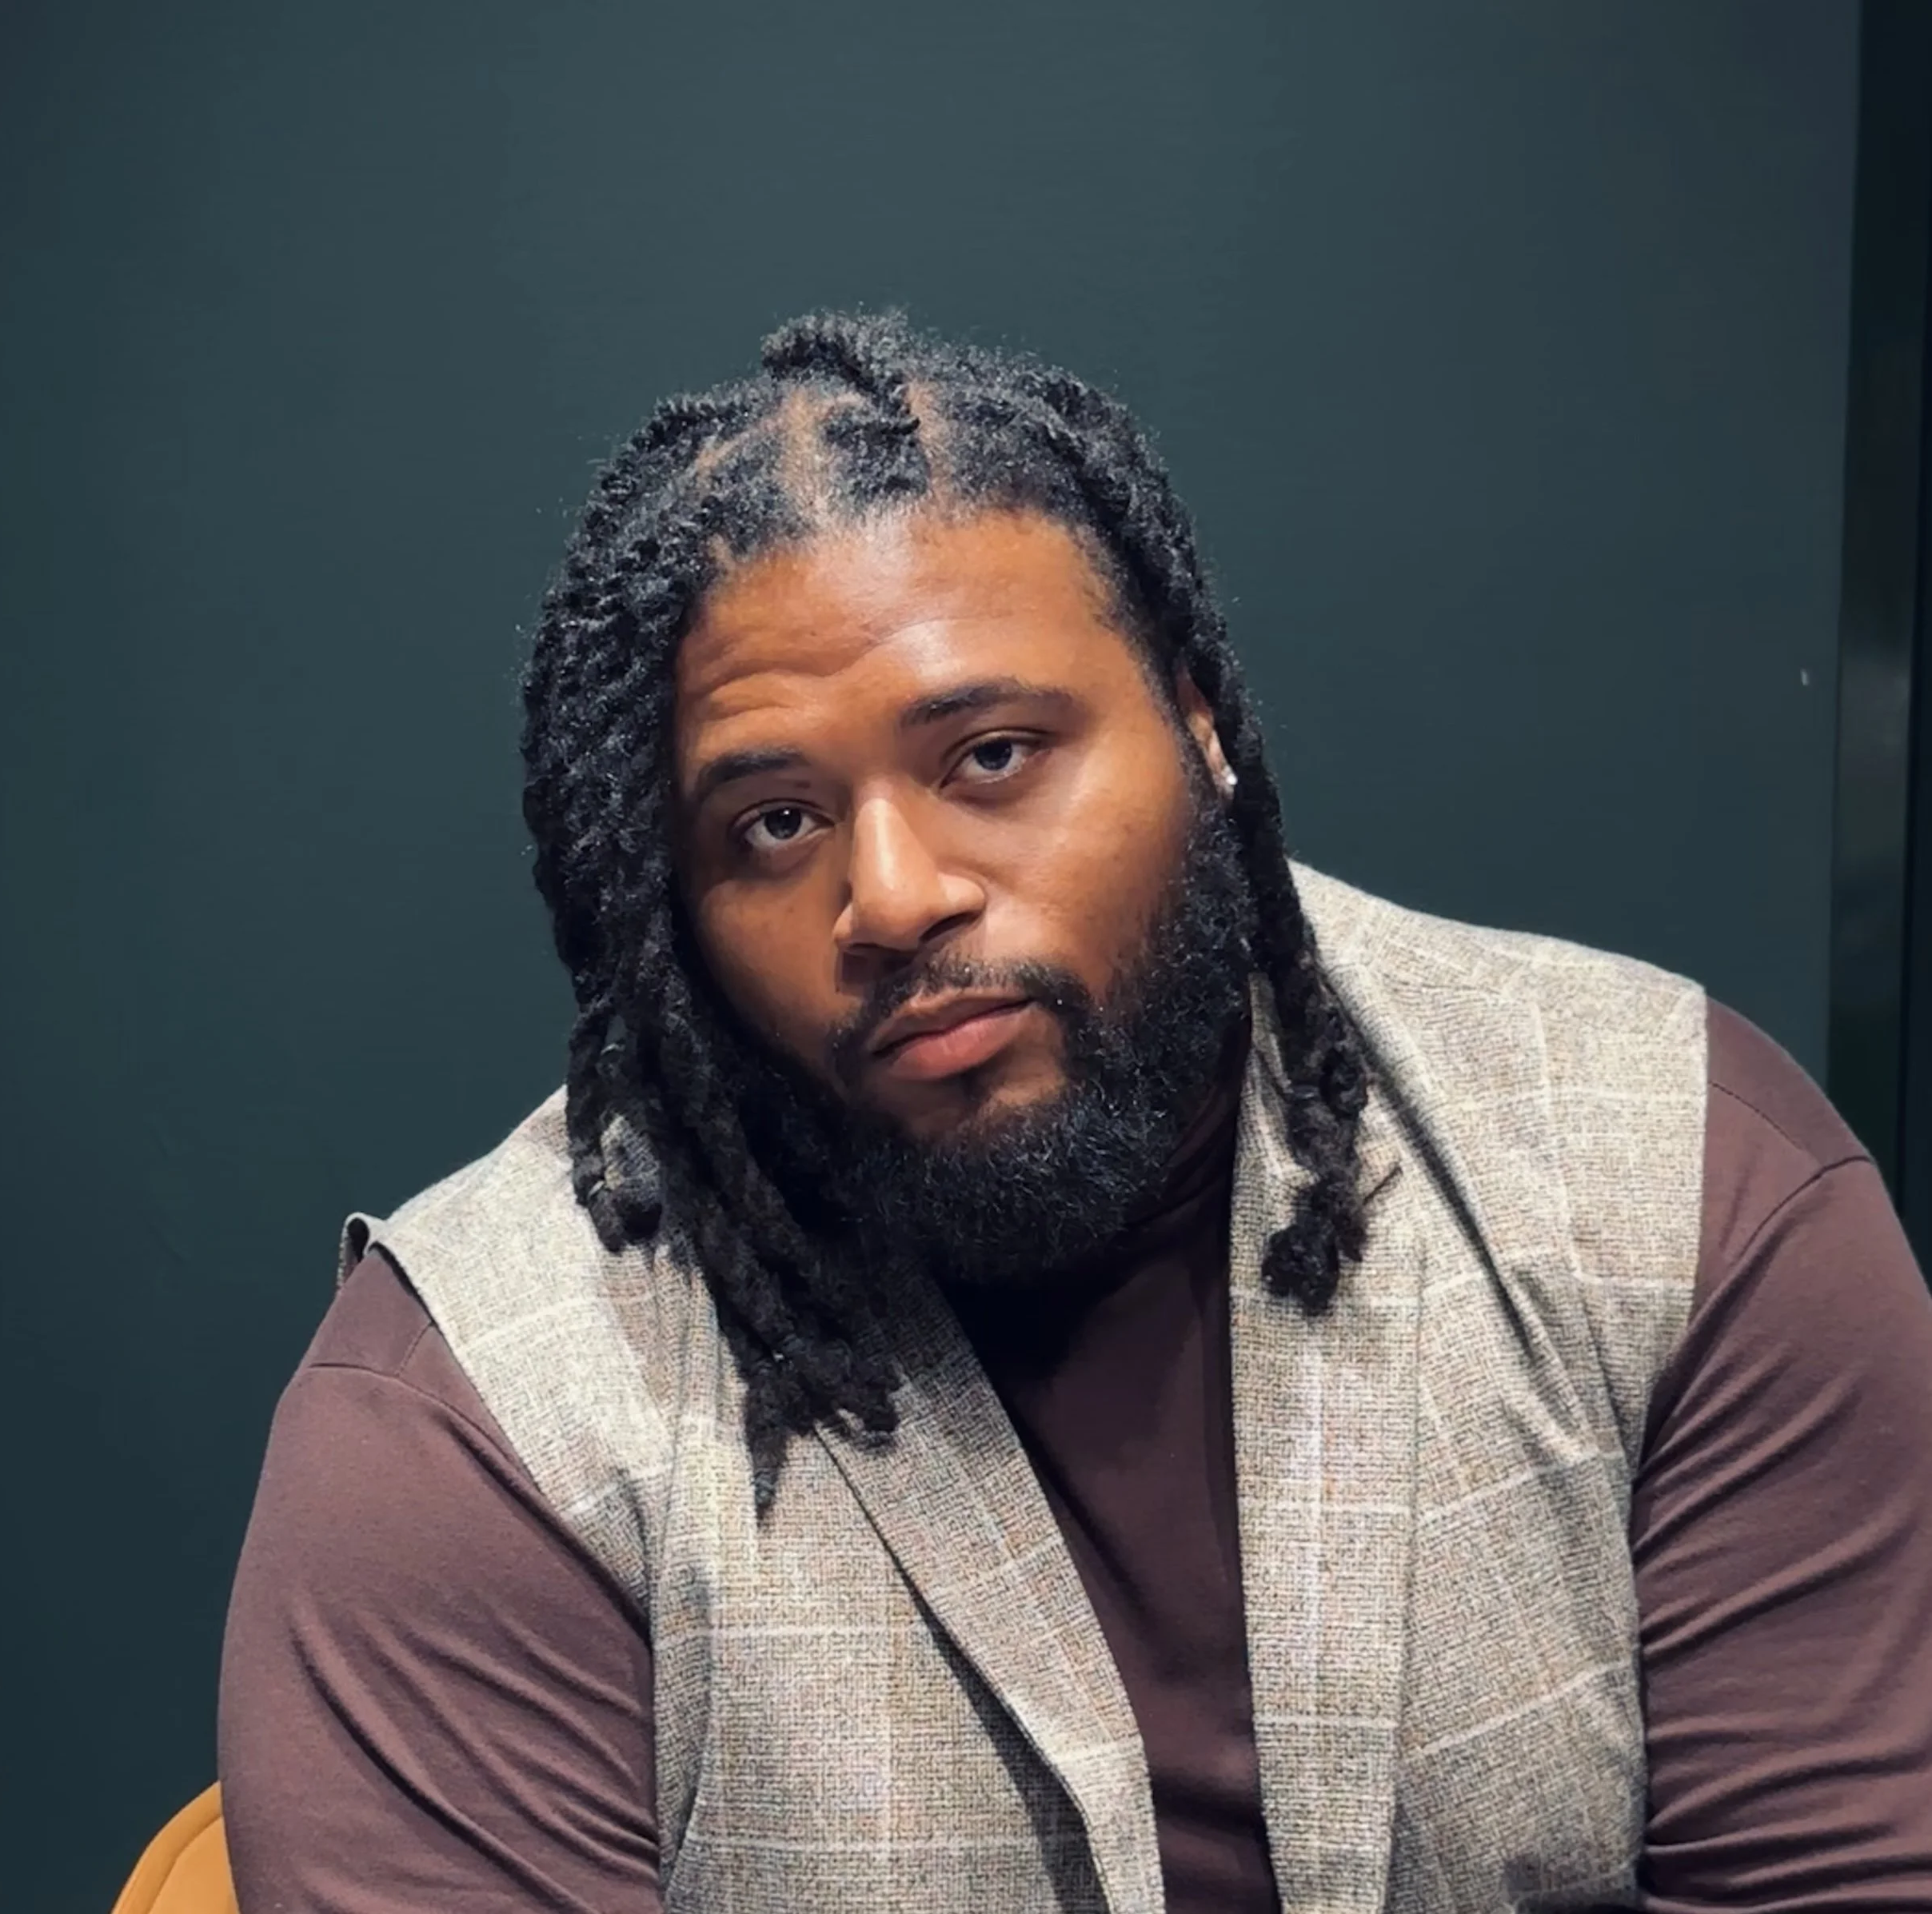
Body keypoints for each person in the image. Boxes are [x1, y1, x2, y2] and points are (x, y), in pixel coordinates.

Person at [218, 311, 1932, 1913]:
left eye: (989, 756)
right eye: (770, 824)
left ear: (1199, 720)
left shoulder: (1660, 1168)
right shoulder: (467, 1429)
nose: (888, 896)